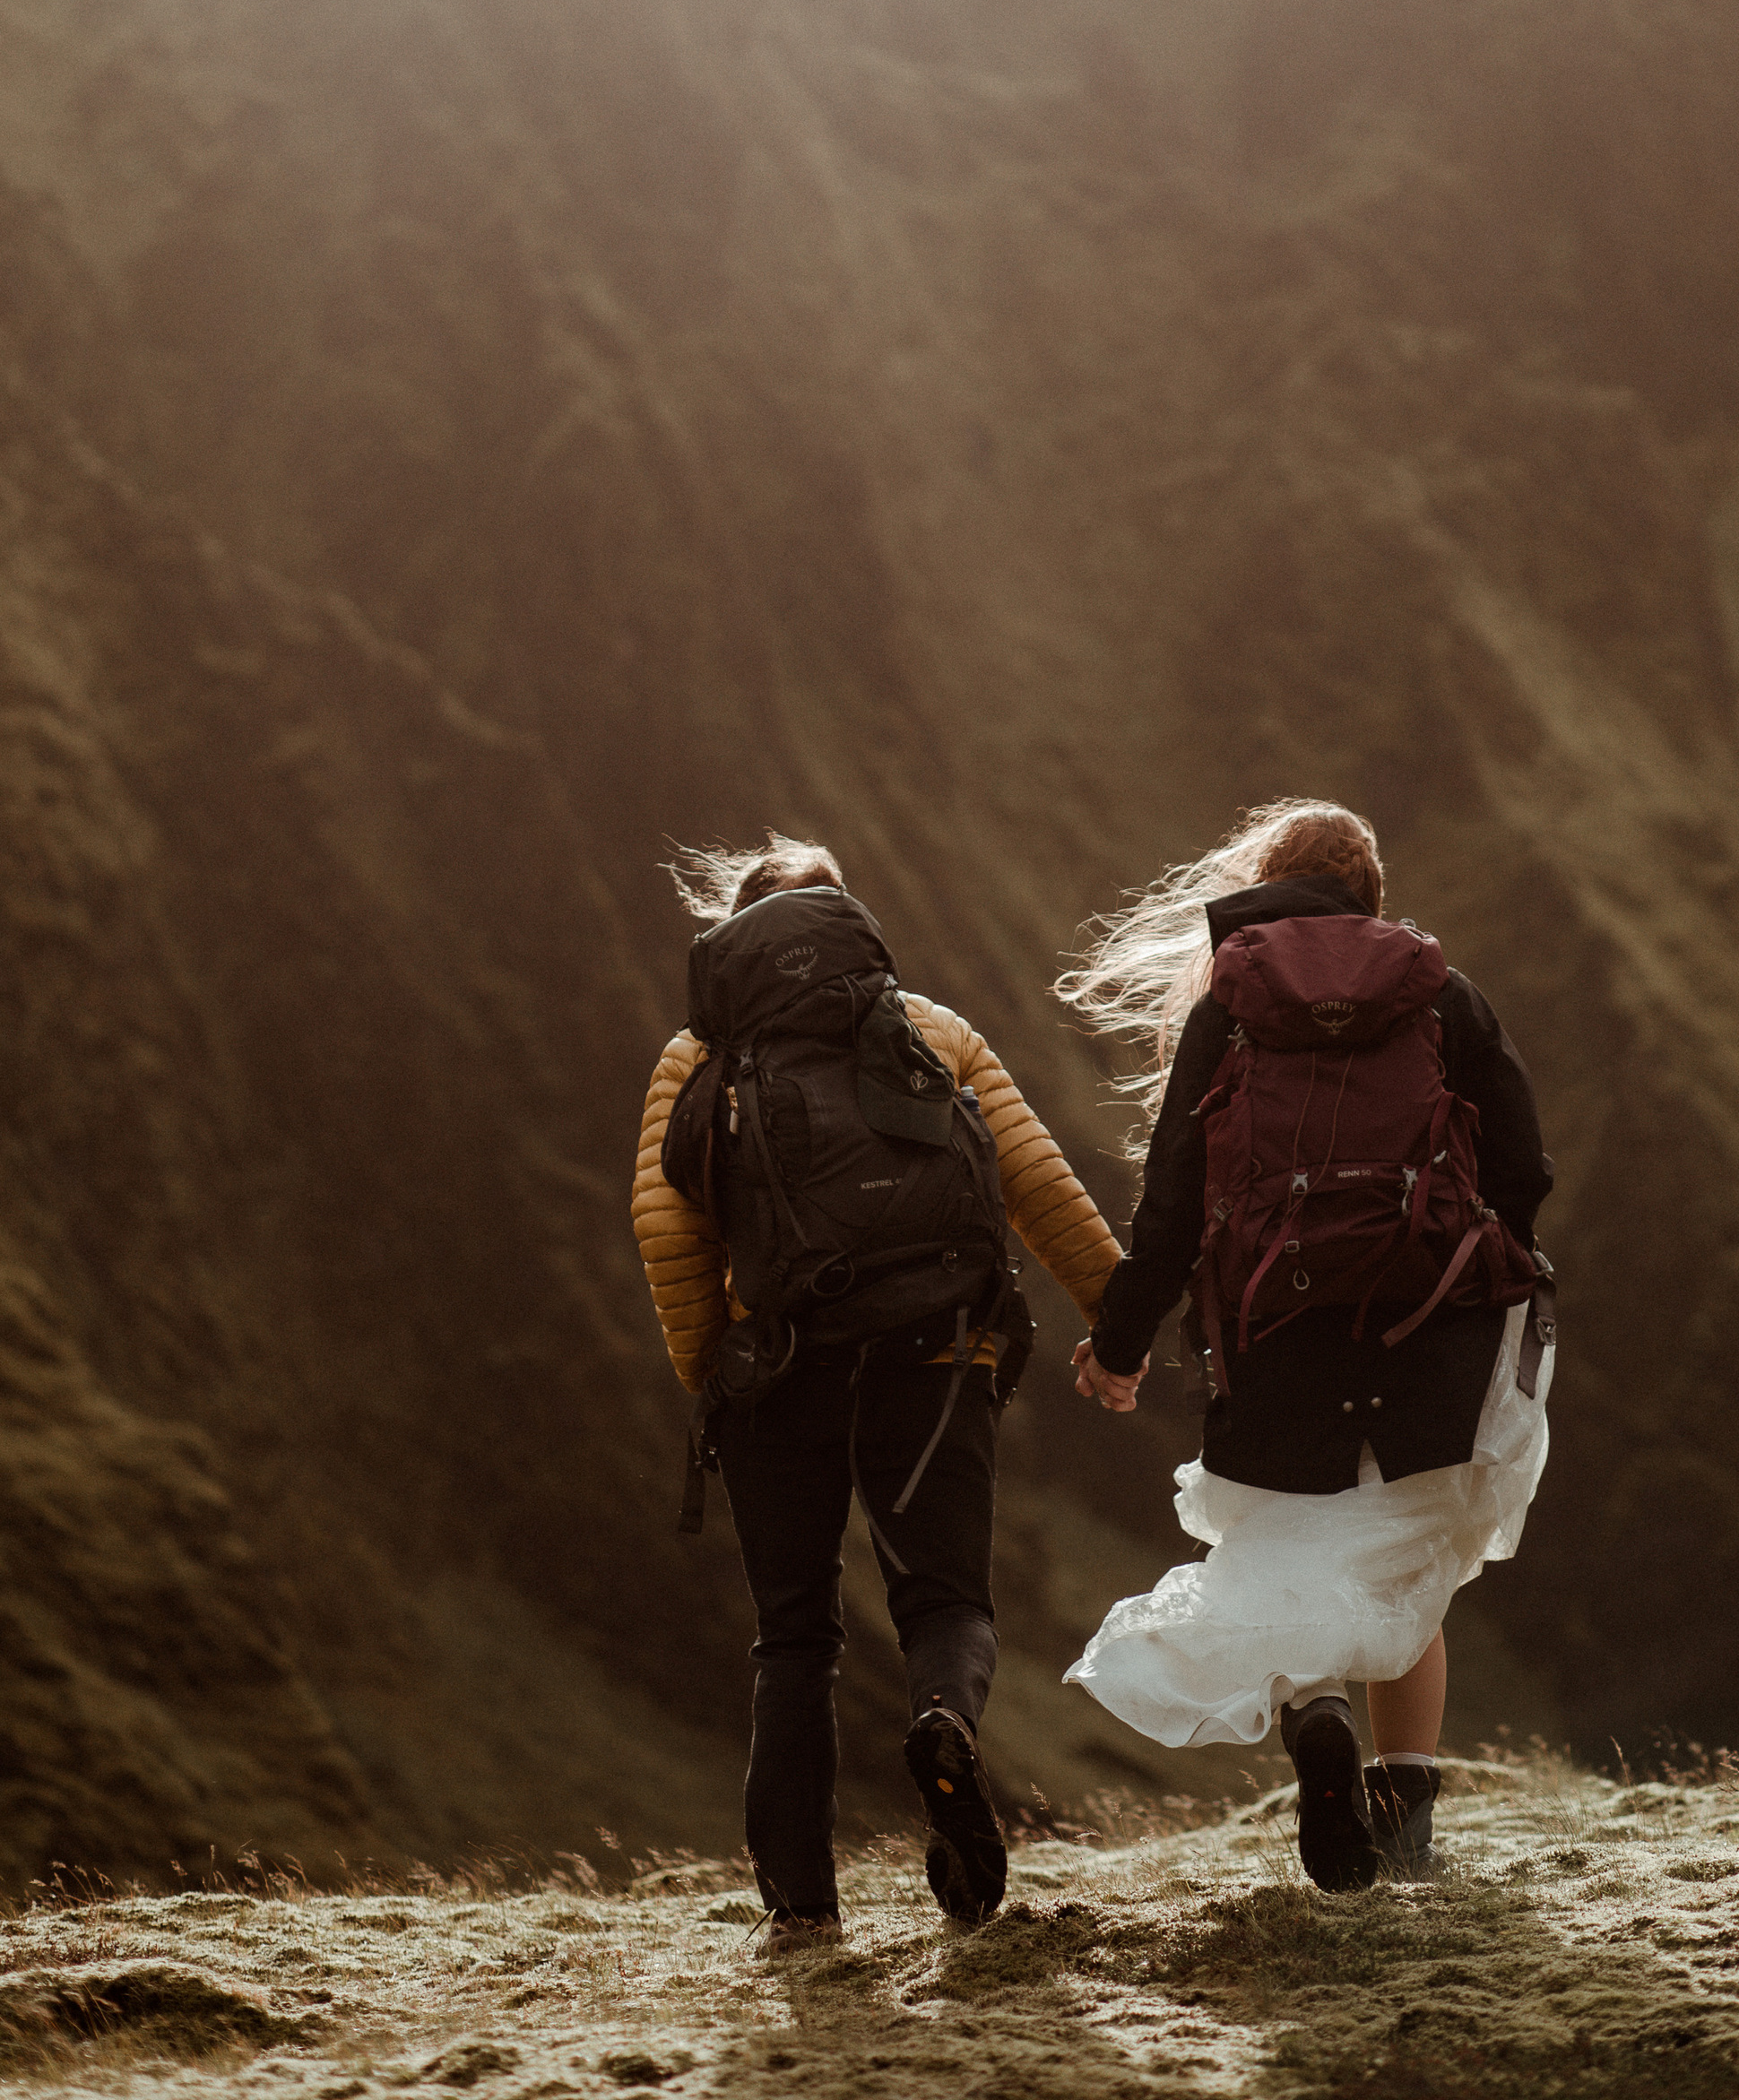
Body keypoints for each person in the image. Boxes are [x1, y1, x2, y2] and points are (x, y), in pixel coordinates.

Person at [632, 832, 1120, 1948]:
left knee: (794, 1640)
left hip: (779, 1370)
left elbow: (664, 1219)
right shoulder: (929, 1027)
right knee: (944, 1602)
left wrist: (713, 1369)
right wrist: (1116, 1324)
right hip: (933, 1353)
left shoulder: (697, 1053)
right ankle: (944, 1722)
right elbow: (1036, 1183)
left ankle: (801, 1910)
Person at [1059, 797, 1553, 1892]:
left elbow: (1173, 1210)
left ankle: (1319, 1715)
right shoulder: (1440, 995)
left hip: (1272, 1334)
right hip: (1430, 1330)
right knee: (1409, 1566)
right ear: (1369, 897)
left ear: (1271, 882)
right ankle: (1407, 1825)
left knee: (1290, 1552)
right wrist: (1486, 1260)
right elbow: (1523, 1164)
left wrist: (1120, 1344)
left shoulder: (1226, 1012)